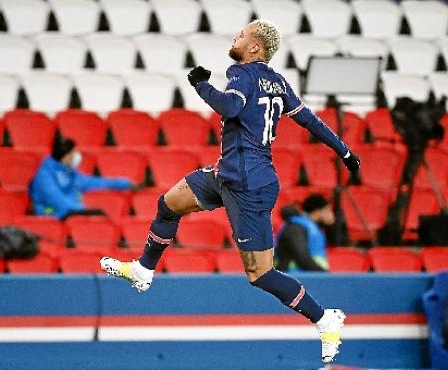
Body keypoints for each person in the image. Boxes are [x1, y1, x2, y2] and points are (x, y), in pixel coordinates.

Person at [100, 19, 360, 364]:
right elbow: (309, 119)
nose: (235, 39)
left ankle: (325, 319)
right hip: (229, 175)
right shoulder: (278, 82)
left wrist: (202, 85)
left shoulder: (241, 72)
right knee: (168, 204)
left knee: (260, 274)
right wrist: (345, 151)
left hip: (250, 185)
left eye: (241, 35)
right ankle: (144, 270)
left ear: (254, 47)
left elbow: (231, 107)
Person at [29, 137, 132, 220]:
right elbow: (56, 199)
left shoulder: (69, 172)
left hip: (71, 213)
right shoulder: (44, 175)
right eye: (74, 152)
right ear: (66, 156)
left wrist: (124, 184)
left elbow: (93, 182)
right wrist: (82, 211)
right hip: (49, 215)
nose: (77, 155)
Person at [276, 194, 334, 272]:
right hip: (295, 277)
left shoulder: (311, 228)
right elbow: (302, 257)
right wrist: (324, 275)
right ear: (317, 211)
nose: (332, 215)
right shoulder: (296, 227)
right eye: (328, 210)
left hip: (308, 278)